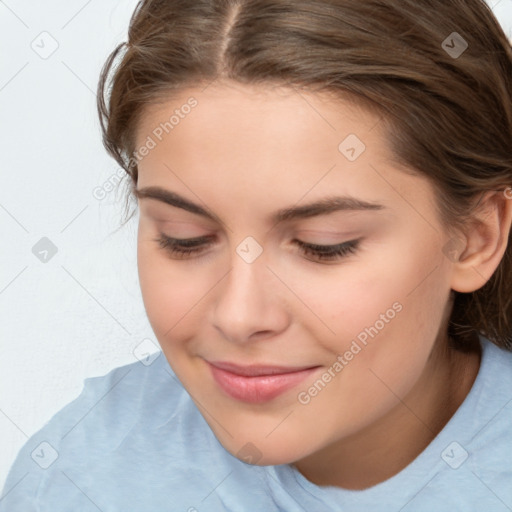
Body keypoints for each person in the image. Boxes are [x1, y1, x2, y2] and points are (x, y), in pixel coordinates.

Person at [2, 0, 512, 510]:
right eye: (185, 237)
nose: (238, 316)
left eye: (323, 246)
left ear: (475, 238)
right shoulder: (73, 480)